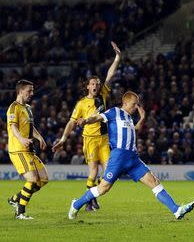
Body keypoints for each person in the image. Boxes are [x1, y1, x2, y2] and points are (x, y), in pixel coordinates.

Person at [68, 91, 194, 220]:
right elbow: (97, 117)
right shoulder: (114, 112)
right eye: (134, 104)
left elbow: (135, 129)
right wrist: (85, 120)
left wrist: (143, 118)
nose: (136, 107)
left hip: (133, 158)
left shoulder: (129, 118)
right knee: (103, 189)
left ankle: (176, 210)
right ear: (126, 102)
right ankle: (76, 205)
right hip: (119, 156)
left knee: (154, 181)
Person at [53, 41, 121, 211]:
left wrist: (118, 57)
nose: (96, 85)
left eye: (98, 83)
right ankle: (89, 202)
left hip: (105, 139)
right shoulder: (82, 104)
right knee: (92, 172)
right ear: (88, 86)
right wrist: (63, 138)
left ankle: (93, 195)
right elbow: (71, 122)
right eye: (93, 83)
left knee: (109, 175)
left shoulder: (104, 93)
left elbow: (110, 75)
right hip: (90, 140)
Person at [7, 80, 49, 219]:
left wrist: (40, 137)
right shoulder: (14, 108)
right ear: (20, 91)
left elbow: (31, 127)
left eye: (32, 90)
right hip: (18, 150)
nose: (32, 93)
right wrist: (21, 139)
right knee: (31, 180)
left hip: (29, 150)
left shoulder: (28, 108)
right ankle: (20, 212)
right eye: (29, 91)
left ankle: (15, 199)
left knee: (43, 179)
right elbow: (13, 127)